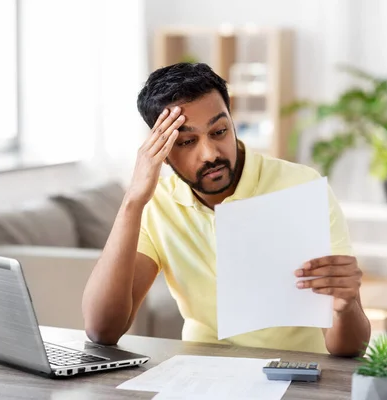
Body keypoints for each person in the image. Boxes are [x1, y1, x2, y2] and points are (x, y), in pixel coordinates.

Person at [81, 62, 371, 356]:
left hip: (295, 373)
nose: (210, 154)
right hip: (201, 372)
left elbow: (349, 350)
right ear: (163, 153)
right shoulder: (157, 204)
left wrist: (346, 308)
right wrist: (133, 200)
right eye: (187, 141)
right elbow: (102, 330)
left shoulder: (301, 187)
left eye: (219, 131)